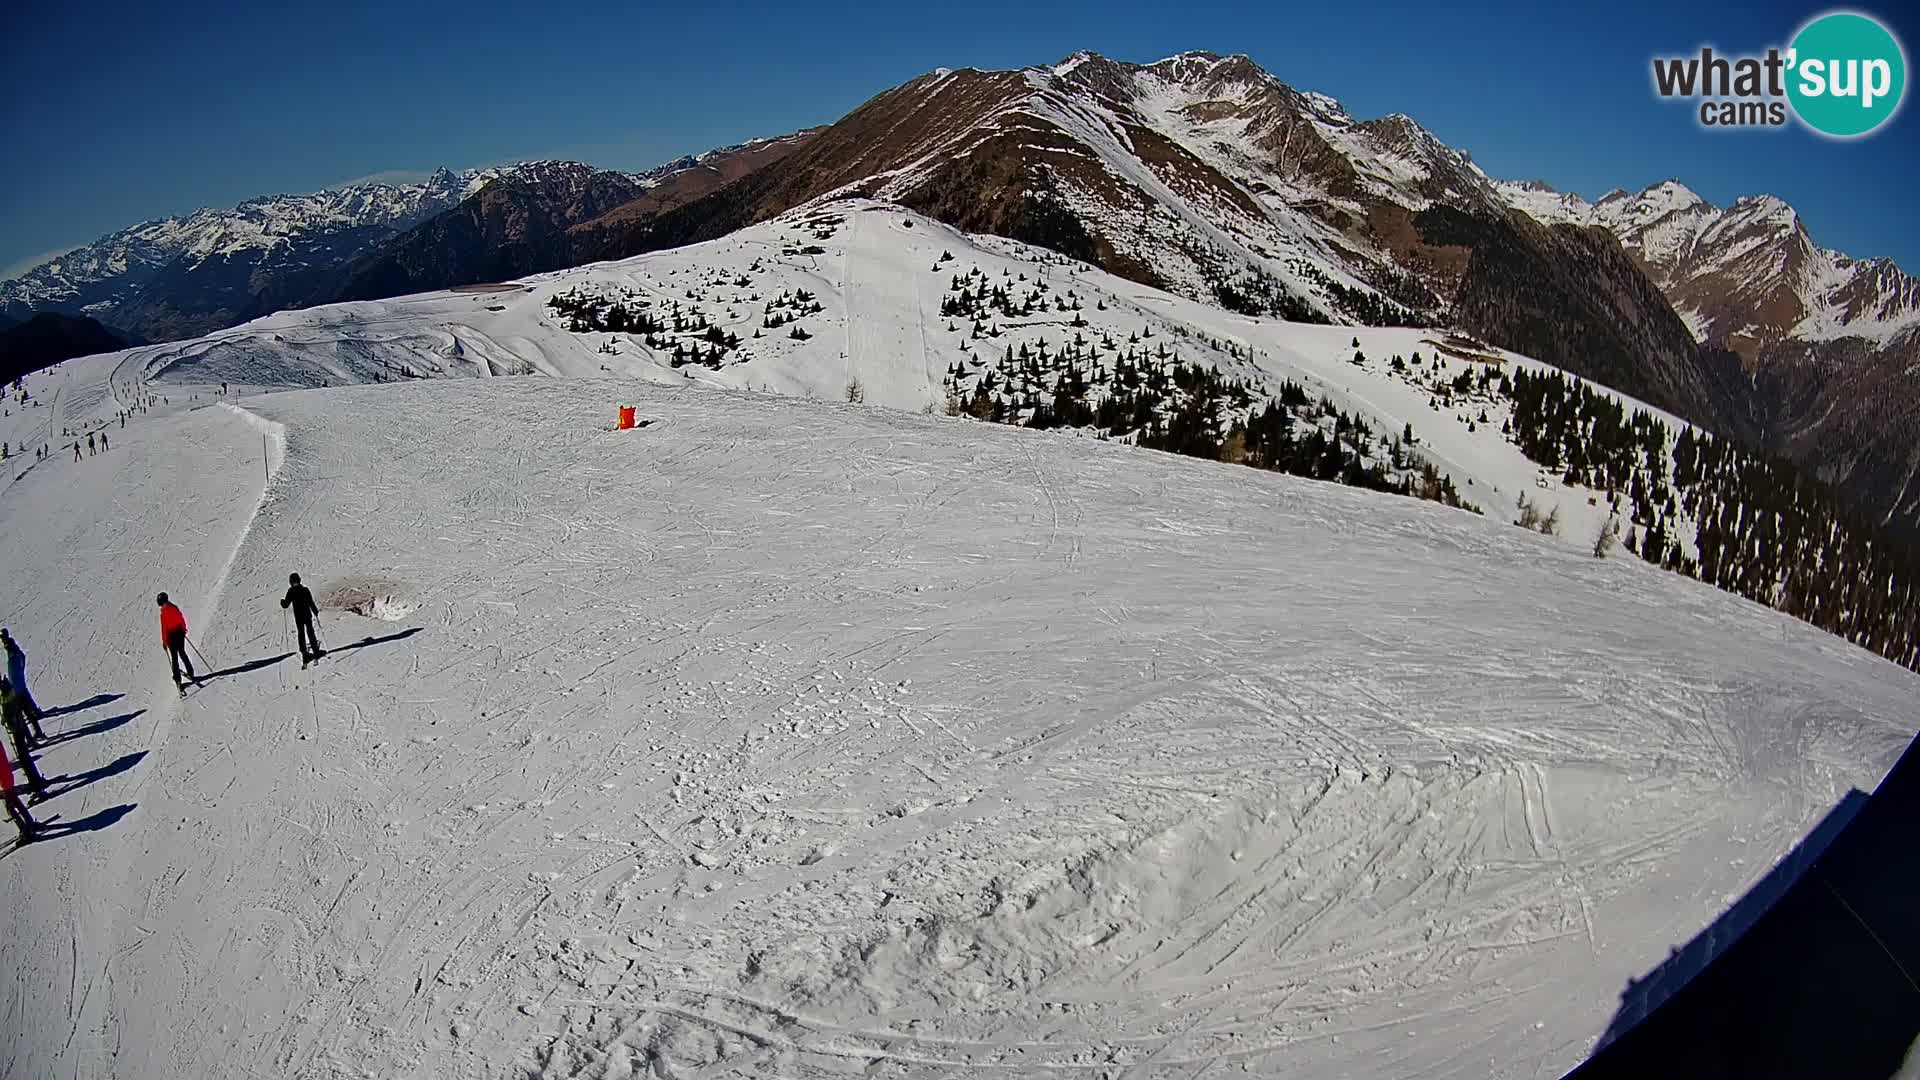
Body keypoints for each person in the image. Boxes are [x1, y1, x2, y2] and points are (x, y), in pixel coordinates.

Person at [0, 678, 47, 800]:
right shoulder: (9, 691)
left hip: (17, 730)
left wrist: (7, 721)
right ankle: (36, 782)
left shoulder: (6, 697)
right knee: (25, 758)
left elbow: (10, 714)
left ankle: (37, 787)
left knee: (24, 759)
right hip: (20, 728)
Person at [0, 630, 46, 741]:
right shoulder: (17, 657)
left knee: (20, 717)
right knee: (27, 712)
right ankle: (37, 732)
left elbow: (14, 677)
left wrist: (10, 688)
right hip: (19, 689)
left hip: (16, 692)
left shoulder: (14, 660)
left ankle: (30, 738)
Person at [0, 733, 37, 845]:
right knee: (15, 801)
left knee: (10, 808)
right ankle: (29, 822)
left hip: (4, 780)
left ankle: (25, 831)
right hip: (7, 777)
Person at [157, 593, 198, 691]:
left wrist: (165, 642)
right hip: (179, 633)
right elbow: (181, 618)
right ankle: (190, 672)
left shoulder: (163, 613)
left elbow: (164, 628)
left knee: (174, 658)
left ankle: (178, 679)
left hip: (171, 637)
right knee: (182, 653)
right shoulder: (174, 607)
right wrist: (183, 630)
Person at [281, 573, 324, 665]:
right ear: (299, 580)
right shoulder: (305, 589)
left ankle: (305, 655)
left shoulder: (291, 591)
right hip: (307, 615)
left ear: (291, 582)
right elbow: (310, 602)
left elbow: (286, 605)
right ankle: (316, 652)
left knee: (301, 634)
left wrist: (282, 602)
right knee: (310, 631)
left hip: (298, 616)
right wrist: (315, 611)